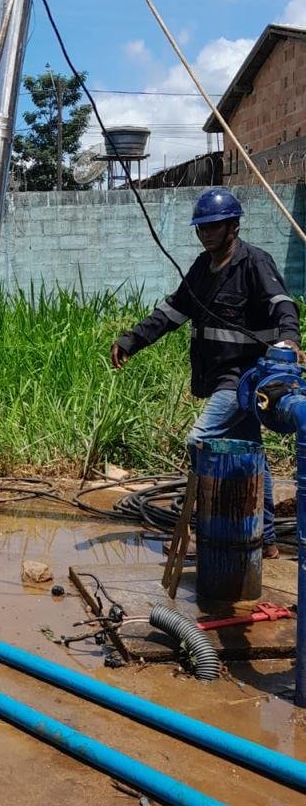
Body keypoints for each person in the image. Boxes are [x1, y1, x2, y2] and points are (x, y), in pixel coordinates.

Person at [110, 188, 302, 557]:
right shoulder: (202, 269)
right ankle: (265, 539)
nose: (207, 234)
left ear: (233, 226)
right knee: (251, 453)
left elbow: (282, 304)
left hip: (246, 378)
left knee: (200, 441)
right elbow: (171, 313)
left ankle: (205, 528)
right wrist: (132, 340)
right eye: (202, 228)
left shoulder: (254, 263)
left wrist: (290, 339)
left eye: (214, 227)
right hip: (218, 376)